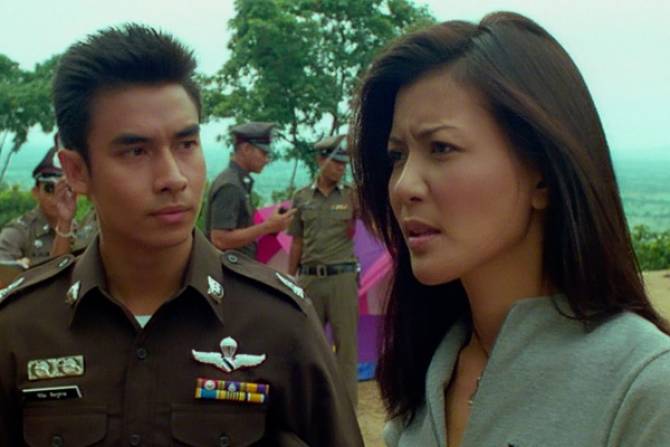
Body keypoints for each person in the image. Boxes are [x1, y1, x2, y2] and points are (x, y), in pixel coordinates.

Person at [0, 24, 363, 446]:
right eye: (136, 151)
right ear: (77, 171)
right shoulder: (20, 327)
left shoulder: (279, 321)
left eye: (186, 144)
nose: (174, 178)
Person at [350, 12, 670, 447]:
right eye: (396, 156)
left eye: (441, 148)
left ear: (543, 175)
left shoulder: (643, 387)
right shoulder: (426, 377)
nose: (404, 186)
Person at [287, 134, 360, 406]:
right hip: (310, 280)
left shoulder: (352, 196)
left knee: (346, 349)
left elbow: (373, 224)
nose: (341, 168)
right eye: (336, 163)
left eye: (344, 164)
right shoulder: (302, 197)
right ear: (320, 160)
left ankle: (346, 412)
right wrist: (290, 279)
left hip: (343, 280)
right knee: (309, 345)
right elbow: (297, 241)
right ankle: (312, 407)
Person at [205, 122, 296, 259]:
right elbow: (220, 239)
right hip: (227, 269)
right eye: (263, 153)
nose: (266, 160)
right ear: (246, 148)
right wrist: (268, 226)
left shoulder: (239, 181)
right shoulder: (230, 186)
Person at [0, 142, 92, 270]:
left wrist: (65, 223)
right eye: (49, 189)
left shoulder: (82, 230)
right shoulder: (19, 232)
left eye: (66, 189)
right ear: (35, 192)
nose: (57, 197)